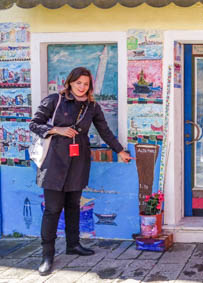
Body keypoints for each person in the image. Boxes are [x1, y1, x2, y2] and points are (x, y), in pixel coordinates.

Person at [29, 67, 132, 276]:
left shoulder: (92, 106)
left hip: (78, 160)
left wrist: (120, 150)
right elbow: (34, 123)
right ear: (70, 83)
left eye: (86, 84)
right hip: (54, 162)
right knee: (52, 210)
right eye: (78, 83)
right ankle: (47, 256)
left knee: (74, 205)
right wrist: (55, 129)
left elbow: (104, 130)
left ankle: (73, 244)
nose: (82, 87)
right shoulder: (54, 100)